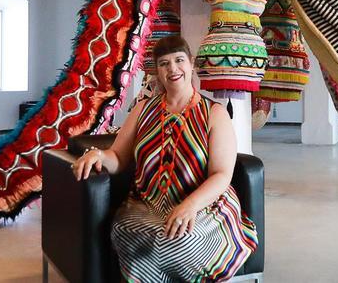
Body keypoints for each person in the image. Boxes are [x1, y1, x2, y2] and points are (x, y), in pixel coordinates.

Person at [72, 35, 258, 281]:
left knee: (182, 242)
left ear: (191, 63)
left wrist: (189, 206)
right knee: (127, 230)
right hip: (146, 204)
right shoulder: (142, 109)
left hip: (204, 206)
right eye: (164, 63)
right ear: (157, 72)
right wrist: (98, 155)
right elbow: (118, 156)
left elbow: (222, 175)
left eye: (179, 60)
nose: (173, 69)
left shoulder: (214, 113)